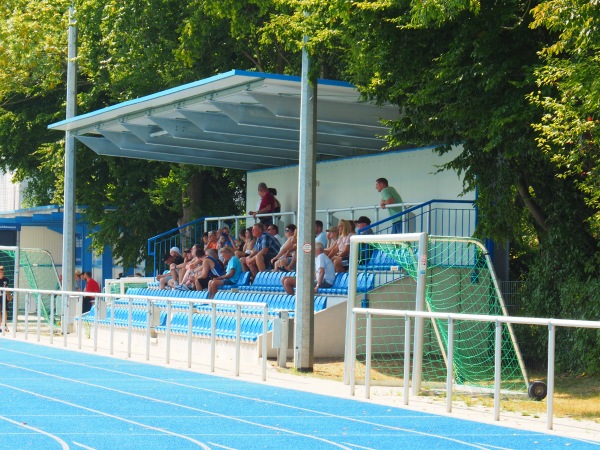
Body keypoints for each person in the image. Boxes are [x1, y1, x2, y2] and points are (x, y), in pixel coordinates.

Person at [0, 266, 12, 330]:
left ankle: (4, 325)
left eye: (2, 272)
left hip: (3, 297)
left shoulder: (6, 280)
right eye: (0, 272)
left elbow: (7, 288)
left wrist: (9, 295)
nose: (2, 273)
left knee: (4, 310)